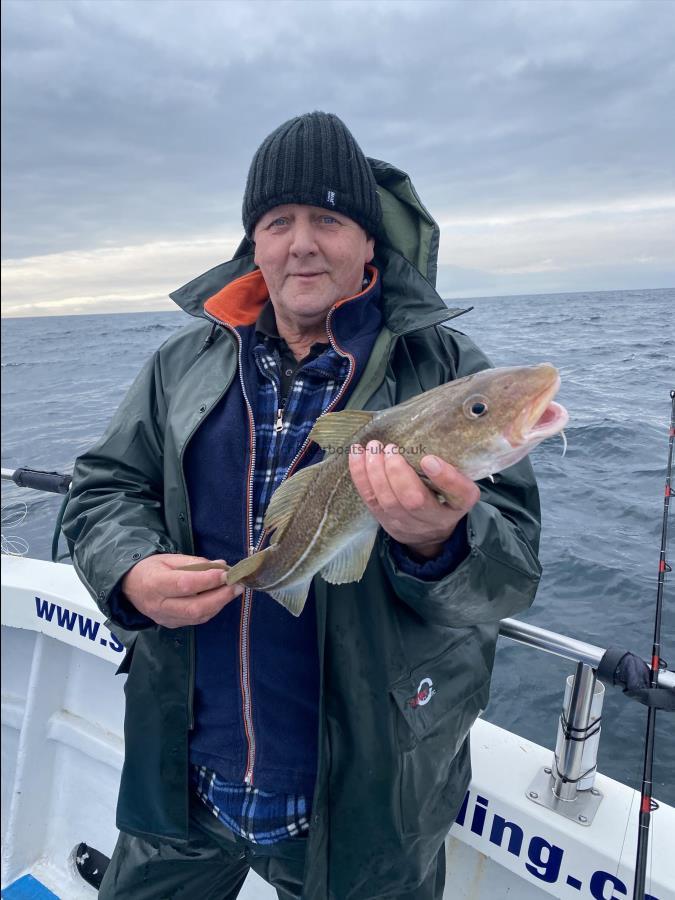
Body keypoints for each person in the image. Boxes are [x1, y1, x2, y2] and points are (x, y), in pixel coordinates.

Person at [62, 112, 542, 900]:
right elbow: (105, 488)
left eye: (328, 218)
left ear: (367, 243)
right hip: (180, 783)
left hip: (363, 804)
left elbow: (511, 572)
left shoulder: (450, 375)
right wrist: (131, 571)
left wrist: (441, 543)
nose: (301, 242)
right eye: (277, 221)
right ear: (254, 243)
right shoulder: (180, 364)